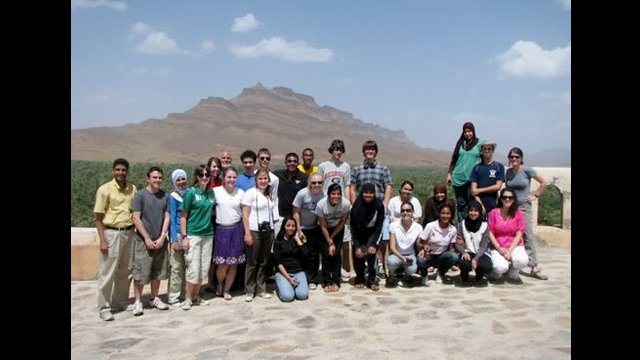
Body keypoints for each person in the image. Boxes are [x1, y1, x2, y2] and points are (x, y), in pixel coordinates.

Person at [94, 158, 137, 321]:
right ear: (113, 171)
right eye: (118, 170)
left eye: (123, 170)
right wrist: (102, 239)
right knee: (107, 271)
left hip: (129, 232)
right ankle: (104, 307)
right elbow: (98, 217)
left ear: (127, 171)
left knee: (126, 271)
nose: (120, 173)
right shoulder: (104, 189)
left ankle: (120, 302)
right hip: (112, 233)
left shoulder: (132, 189)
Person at [350, 140, 393, 279]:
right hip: (362, 211)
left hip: (378, 211)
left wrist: (385, 204)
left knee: (381, 238)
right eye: (367, 149)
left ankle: (383, 266)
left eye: (372, 149)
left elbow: (388, 186)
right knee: (361, 238)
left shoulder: (383, 168)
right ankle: (363, 270)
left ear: (376, 152)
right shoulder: (357, 169)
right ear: (363, 152)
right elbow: (352, 187)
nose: (370, 151)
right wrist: (354, 205)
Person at [131, 166, 171, 315]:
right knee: (140, 272)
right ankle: (137, 301)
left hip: (160, 240)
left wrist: (162, 236)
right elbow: (136, 217)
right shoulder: (140, 195)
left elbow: (167, 216)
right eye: (154, 177)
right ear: (148, 178)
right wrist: (147, 238)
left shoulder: (165, 196)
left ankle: (154, 298)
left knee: (158, 271)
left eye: (160, 178)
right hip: (143, 241)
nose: (157, 180)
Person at [505, 147, 549, 280]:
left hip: (524, 207)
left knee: (528, 236)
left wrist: (535, 195)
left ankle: (534, 266)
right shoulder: (508, 172)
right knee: (510, 236)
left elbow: (544, 182)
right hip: (511, 207)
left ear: (521, 158)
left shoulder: (527, 170)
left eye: (516, 157)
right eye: (512, 157)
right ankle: (511, 264)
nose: (514, 159)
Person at [179, 166, 216, 310]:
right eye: (201, 174)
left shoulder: (211, 193)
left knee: (203, 269)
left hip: (208, 235)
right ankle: (188, 298)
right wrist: (184, 236)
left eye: (207, 174)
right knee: (193, 269)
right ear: (197, 176)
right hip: (193, 234)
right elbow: (183, 216)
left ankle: (196, 296)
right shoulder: (191, 193)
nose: (204, 177)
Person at [317, 139, 353, 279]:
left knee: (343, 238)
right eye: (335, 149)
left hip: (341, 204)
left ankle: (342, 267)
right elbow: (319, 185)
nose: (337, 152)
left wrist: (348, 204)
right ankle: (324, 264)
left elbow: (347, 186)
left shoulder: (346, 166)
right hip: (326, 204)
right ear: (331, 150)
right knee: (323, 235)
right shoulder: (323, 166)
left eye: (340, 150)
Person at [241, 168, 277, 302]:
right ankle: (249, 290)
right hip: (254, 231)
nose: (263, 181)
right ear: (256, 180)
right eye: (260, 179)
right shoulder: (250, 193)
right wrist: (247, 233)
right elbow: (245, 214)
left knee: (264, 261)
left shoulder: (270, 193)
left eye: (265, 179)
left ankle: (261, 288)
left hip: (268, 231)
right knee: (252, 262)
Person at [212, 167, 246, 300]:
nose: (231, 180)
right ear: (223, 178)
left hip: (237, 229)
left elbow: (244, 212)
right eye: (229, 177)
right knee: (222, 263)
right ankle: (219, 284)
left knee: (234, 263)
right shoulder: (215, 192)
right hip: (222, 230)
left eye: (234, 177)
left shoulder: (241, 193)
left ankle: (227, 289)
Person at [487, 187, 529, 283]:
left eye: (510, 197)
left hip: (514, 245)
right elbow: (490, 232)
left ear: (514, 199)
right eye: (504, 197)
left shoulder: (519, 214)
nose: (507, 199)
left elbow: (519, 233)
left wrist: (509, 251)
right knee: (500, 267)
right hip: (498, 245)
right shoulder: (493, 213)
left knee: (522, 261)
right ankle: (497, 274)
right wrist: (498, 248)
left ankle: (513, 273)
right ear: (500, 199)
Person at [315, 183, 352, 292]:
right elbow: (322, 225)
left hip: (338, 229)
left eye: (338, 194)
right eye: (333, 194)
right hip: (323, 229)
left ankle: (336, 280)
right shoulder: (321, 205)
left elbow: (342, 222)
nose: (336, 196)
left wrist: (332, 239)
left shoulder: (345, 204)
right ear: (328, 195)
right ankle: (326, 281)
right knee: (326, 254)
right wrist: (329, 242)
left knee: (336, 254)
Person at [292, 172, 326, 290]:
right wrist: (298, 228)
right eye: (314, 182)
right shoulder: (302, 194)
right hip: (302, 227)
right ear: (309, 183)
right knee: (301, 253)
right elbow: (296, 211)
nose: (316, 185)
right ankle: (300, 277)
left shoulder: (324, 195)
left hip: (315, 228)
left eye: (319, 182)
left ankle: (312, 279)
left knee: (314, 254)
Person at [350, 183, 385, 291]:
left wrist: (374, 244)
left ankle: (371, 279)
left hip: (373, 232)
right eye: (366, 192)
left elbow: (379, 226)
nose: (368, 195)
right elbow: (353, 228)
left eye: (371, 193)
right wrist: (357, 246)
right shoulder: (356, 207)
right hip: (359, 234)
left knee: (371, 254)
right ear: (362, 193)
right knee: (358, 255)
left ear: (374, 194)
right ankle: (360, 278)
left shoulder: (379, 205)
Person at [447, 122, 482, 225]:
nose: (468, 134)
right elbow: (454, 160)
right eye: (465, 131)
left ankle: (473, 226)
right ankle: (462, 227)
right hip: (458, 179)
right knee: (461, 204)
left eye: (470, 131)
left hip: (472, 180)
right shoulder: (460, 144)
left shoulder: (479, 144)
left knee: (473, 204)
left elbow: (484, 158)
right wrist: (449, 174)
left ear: (473, 131)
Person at [416, 204, 459, 286]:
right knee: (420, 259)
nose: (445, 216)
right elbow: (419, 242)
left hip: (441, 256)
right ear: (439, 214)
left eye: (448, 213)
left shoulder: (453, 229)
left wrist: (449, 257)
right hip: (429, 254)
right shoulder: (431, 226)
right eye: (443, 213)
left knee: (454, 257)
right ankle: (424, 276)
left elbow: (452, 247)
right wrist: (423, 246)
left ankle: (440, 273)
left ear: (451, 215)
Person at [273, 216, 311, 302]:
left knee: (303, 295)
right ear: (284, 227)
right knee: (288, 297)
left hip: (298, 271)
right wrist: (289, 279)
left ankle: (291, 286)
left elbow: (306, 255)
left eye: (293, 226)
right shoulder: (278, 242)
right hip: (284, 273)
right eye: (288, 225)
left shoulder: (298, 240)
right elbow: (278, 263)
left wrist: (298, 239)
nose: (291, 228)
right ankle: (281, 285)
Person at [454, 200, 492, 284]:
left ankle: (479, 274)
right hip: (467, 252)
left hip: (480, 254)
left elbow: (483, 246)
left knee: (486, 266)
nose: (473, 213)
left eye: (476, 211)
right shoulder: (462, 224)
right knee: (464, 264)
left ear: (479, 212)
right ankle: (464, 275)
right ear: (468, 211)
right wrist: (463, 252)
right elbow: (457, 243)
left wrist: (475, 259)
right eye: (471, 210)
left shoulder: (484, 226)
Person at [386, 201, 422, 287]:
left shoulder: (418, 227)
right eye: (403, 210)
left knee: (412, 269)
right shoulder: (393, 226)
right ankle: (391, 275)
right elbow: (392, 247)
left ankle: (407, 275)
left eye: (408, 210)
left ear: (413, 213)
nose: (405, 212)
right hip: (396, 254)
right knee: (391, 262)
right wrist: (402, 258)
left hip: (410, 254)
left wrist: (423, 249)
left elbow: (419, 244)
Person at [167, 169, 188, 307]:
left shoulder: (190, 193)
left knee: (188, 266)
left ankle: (186, 293)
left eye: (183, 179)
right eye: (178, 180)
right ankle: (173, 296)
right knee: (176, 267)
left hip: (188, 234)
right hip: (178, 234)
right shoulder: (173, 197)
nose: (181, 182)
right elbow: (172, 218)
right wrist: (174, 239)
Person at [273, 152, 308, 235]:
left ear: (298, 163)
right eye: (289, 161)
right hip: (280, 217)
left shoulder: (304, 178)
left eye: (294, 161)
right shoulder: (277, 175)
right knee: (277, 241)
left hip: (296, 217)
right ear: (285, 162)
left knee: (295, 242)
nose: (292, 163)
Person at [470, 139, 505, 217]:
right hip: (478, 208)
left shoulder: (499, 167)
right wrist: (480, 205)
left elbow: (498, 186)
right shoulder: (476, 168)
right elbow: (473, 190)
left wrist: (479, 190)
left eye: (489, 149)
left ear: (493, 150)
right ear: (481, 151)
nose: (487, 151)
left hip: (494, 207)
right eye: (484, 149)